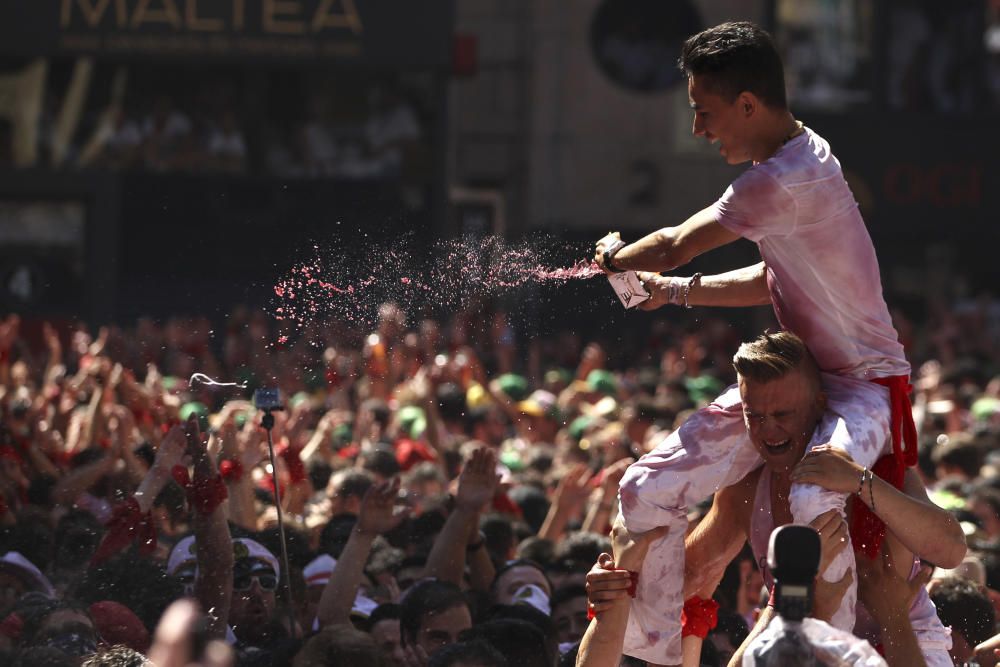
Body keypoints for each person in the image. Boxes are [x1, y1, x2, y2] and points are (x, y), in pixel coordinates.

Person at [593, 21, 917, 665]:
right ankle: (651, 655)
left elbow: (676, 242)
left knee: (811, 498)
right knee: (644, 488)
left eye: (703, 113)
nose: (699, 131)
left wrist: (614, 256)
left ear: (747, 104)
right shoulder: (800, 155)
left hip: (865, 389)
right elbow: (773, 277)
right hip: (796, 378)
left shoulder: (781, 180)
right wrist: (674, 293)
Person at [586, 333, 963, 667]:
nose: (769, 430)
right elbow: (688, 577)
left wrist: (857, 481)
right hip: (794, 632)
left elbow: (951, 551)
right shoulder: (744, 489)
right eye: (755, 415)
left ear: (818, 404)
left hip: (903, 639)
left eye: (783, 414)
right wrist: (620, 584)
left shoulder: (873, 466)